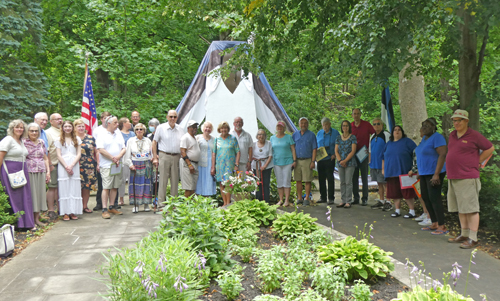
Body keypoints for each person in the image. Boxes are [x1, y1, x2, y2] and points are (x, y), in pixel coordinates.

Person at [446, 109, 494, 249]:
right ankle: (464, 234)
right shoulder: (452, 135)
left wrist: (477, 162)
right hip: (453, 176)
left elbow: (490, 148)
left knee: (471, 208)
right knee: (462, 208)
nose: (456, 123)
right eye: (454, 120)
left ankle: (473, 238)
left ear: (466, 121)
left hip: (467, 176)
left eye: (458, 120)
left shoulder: (474, 135)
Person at [411, 118, 448, 235]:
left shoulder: (437, 137)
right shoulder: (424, 139)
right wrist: (419, 173)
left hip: (434, 173)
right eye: (423, 126)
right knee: (426, 197)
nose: (424, 128)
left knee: (434, 198)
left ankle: (442, 226)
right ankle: (434, 222)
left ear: (434, 127)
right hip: (424, 173)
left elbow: (442, 154)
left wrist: (436, 174)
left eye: (427, 126)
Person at [0, 120, 35, 229]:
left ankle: (27, 224)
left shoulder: (21, 141)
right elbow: (1, 156)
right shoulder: (8, 140)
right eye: (17, 127)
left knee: (25, 196)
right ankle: (18, 224)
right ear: (12, 129)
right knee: (14, 197)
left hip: (21, 172)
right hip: (10, 171)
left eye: (21, 128)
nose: (19, 129)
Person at [381, 125, 417, 218]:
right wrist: (383, 169)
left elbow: (416, 154)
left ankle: (412, 211)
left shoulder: (407, 142)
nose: (397, 131)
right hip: (391, 172)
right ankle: (397, 210)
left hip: (404, 172)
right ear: (392, 132)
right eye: (395, 130)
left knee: (407, 193)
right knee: (394, 193)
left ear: (402, 132)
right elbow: (383, 157)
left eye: (399, 130)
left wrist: (413, 168)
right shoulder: (388, 144)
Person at [152, 110, 185, 206]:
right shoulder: (161, 128)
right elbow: (154, 142)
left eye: (174, 117)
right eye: (171, 116)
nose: (172, 119)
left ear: (177, 118)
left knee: (175, 181)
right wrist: (155, 157)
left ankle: (173, 204)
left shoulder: (181, 129)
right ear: (167, 117)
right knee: (163, 180)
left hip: (176, 157)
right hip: (164, 156)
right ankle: (161, 204)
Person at [96, 116, 125, 219]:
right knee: (106, 187)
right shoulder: (102, 135)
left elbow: (124, 148)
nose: (117, 124)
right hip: (107, 165)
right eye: (115, 123)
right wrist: (113, 158)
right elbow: (101, 149)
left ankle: (112, 206)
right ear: (109, 123)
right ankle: (104, 209)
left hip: (117, 164)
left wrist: (118, 157)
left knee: (115, 186)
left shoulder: (118, 134)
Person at [55, 121, 82, 221]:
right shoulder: (59, 140)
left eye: (69, 126)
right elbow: (58, 155)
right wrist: (66, 166)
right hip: (63, 165)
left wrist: (72, 165)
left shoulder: (77, 139)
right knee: (64, 187)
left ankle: (73, 211)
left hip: (74, 164)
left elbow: (78, 154)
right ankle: (65, 212)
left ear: (72, 128)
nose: (67, 128)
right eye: (65, 126)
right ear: (62, 128)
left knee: (74, 187)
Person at [24, 123, 50, 227]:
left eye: (36, 131)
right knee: (32, 195)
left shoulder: (41, 142)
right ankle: (31, 220)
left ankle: (37, 219)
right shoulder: (24, 142)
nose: (34, 133)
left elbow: (45, 158)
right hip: (29, 171)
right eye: (32, 131)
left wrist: (48, 171)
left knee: (39, 195)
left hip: (41, 171)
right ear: (27, 132)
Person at [124, 123, 153, 212]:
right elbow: (127, 155)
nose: (139, 131)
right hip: (135, 164)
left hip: (146, 164)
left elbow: (151, 153)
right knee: (135, 185)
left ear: (144, 131)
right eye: (137, 129)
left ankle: (146, 204)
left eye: (141, 129)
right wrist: (130, 164)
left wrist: (153, 159)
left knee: (147, 185)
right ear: (135, 131)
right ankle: (135, 205)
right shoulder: (131, 141)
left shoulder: (148, 140)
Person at [211, 121, 240, 206]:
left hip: (229, 165)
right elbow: (214, 153)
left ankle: (228, 202)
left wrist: (236, 164)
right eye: (222, 128)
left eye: (226, 128)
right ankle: (224, 203)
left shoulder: (233, 138)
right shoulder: (217, 139)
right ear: (219, 129)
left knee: (228, 183)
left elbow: (238, 152)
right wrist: (213, 167)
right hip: (219, 165)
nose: (224, 130)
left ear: (228, 129)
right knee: (221, 184)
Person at [351, 108, 375, 206]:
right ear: (352, 115)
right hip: (353, 154)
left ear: (360, 114)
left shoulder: (366, 125)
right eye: (354, 114)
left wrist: (370, 150)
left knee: (364, 176)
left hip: (363, 153)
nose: (356, 115)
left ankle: (365, 198)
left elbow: (374, 135)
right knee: (354, 177)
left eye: (358, 114)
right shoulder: (350, 126)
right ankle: (356, 197)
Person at [74, 119, 97, 214]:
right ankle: (76, 207)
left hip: (89, 166)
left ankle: (84, 206)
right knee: (76, 187)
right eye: (79, 126)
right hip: (76, 166)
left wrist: (98, 163)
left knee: (86, 187)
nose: (81, 128)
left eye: (82, 126)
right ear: (75, 128)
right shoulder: (73, 139)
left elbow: (96, 152)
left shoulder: (90, 138)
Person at [270, 121, 296, 207]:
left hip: (287, 162)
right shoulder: (272, 138)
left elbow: (293, 149)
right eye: (278, 127)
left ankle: (287, 200)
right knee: (279, 182)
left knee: (286, 181)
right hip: (277, 162)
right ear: (276, 128)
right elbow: (270, 151)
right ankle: (281, 200)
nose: (279, 128)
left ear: (284, 128)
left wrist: (294, 160)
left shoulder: (288, 137)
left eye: (281, 127)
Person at [292, 117, 317, 206]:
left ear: (308, 124)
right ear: (299, 124)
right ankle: (299, 198)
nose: (303, 125)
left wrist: (313, 161)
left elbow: (314, 149)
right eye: (302, 123)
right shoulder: (295, 135)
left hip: (307, 160)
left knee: (307, 180)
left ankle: (306, 197)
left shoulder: (311, 135)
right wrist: (293, 160)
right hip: (297, 160)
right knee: (298, 180)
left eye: (305, 123)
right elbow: (292, 148)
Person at [368, 118, 391, 210]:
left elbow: (389, 148)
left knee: (386, 183)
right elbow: (369, 150)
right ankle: (381, 200)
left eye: (378, 124)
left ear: (382, 125)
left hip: (383, 164)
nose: (376, 126)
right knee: (379, 183)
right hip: (374, 164)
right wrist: (369, 161)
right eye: (374, 124)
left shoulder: (386, 135)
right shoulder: (372, 136)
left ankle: (388, 201)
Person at [316, 117, 339, 205]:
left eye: (326, 124)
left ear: (330, 124)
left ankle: (331, 198)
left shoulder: (335, 133)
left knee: (330, 178)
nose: (325, 126)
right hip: (321, 159)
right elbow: (316, 145)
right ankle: (323, 197)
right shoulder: (319, 133)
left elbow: (339, 144)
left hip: (330, 158)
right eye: (323, 125)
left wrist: (335, 154)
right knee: (321, 178)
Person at [335, 120, 357, 208]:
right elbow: (336, 151)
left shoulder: (353, 138)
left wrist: (345, 161)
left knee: (348, 182)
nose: (345, 127)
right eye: (343, 125)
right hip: (340, 163)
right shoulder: (338, 138)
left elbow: (353, 151)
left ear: (349, 127)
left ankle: (348, 201)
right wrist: (341, 161)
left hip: (350, 163)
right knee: (342, 182)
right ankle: (343, 200)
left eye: (347, 126)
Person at [92, 111, 111, 211]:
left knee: (113, 184)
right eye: (105, 118)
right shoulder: (97, 130)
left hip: (112, 159)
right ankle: (99, 203)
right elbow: (96, 148)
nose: (107, 119)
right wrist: (98, 162)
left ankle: (113, 203)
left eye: (109, 117)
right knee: (101, 183)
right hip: (101, 159)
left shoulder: (114, 129)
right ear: (101, 119)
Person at [45, 113, 63, 220]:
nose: (59, 121)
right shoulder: (48, 133)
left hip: (64, 164)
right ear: (51, 121)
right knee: (52, 187)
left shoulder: (64, 131)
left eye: (60, 119)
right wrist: (50, 164)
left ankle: (61, 208)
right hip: (54, 163)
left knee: (61, 187)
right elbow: (46, 150)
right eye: (56, 119)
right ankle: (51, 210)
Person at [118, 117, 136, 206]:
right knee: (122, 179)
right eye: (129, 122)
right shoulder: (118, 134)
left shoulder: (133, 133)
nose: (130, 124)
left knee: (131, 178)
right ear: (124, 124)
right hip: (122, 157)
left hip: (132, 158)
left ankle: (131, 197)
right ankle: (121, 198)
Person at [180, 120, 201, 197]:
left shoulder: (194, 137)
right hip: (188, 164)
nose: (195, 128)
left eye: (196, 127)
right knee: (188, 187)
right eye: (193, 127)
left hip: (195, 163)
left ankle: (191, 206)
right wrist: (189, 165)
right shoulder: (185, 137)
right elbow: (183, 152)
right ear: (188, 128)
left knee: (193, 187)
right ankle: (186, 206)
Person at [252, 129, 274, 203]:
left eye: (263, 134)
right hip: (256, 166)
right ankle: (258, 200)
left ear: (265, 136)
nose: (261, 136)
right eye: (259, 134)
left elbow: (270, 156)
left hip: (267, 166)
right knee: (258, 183)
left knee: (265, 183)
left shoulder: (269, 143)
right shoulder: (253, 144)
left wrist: (265, 166)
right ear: (257, 136)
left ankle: (266, 201)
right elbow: (251, 155)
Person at [195, 121, 216, 196]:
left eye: (209, 127)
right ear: (203, 128)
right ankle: (198, 200)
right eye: (206, 127)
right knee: (199, 181)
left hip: (210, 164)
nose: (207, 129)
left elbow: (215, 152)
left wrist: (213, 166)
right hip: (200, 163)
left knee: (208, 181)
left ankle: (207, 200)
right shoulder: (197, 137)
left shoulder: (214, 139)